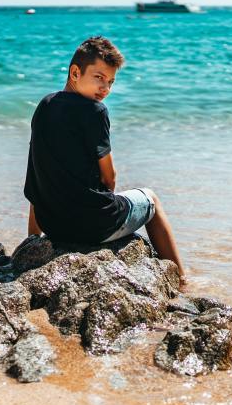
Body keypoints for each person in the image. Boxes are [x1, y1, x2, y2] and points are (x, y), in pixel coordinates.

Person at [23, 36, 186, 282]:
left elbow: (36, 173)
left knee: (47, 172)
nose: (105, 88)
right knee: (151, 199)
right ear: (75, 72)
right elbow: (109, 176)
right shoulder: (95, 111)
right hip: (93, 227)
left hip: (53, 226)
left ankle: (33, 240)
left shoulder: (45, 105)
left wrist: (34, 242)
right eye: (98, 77)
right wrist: (104, 205)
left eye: (110, 81)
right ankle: (181, 279)